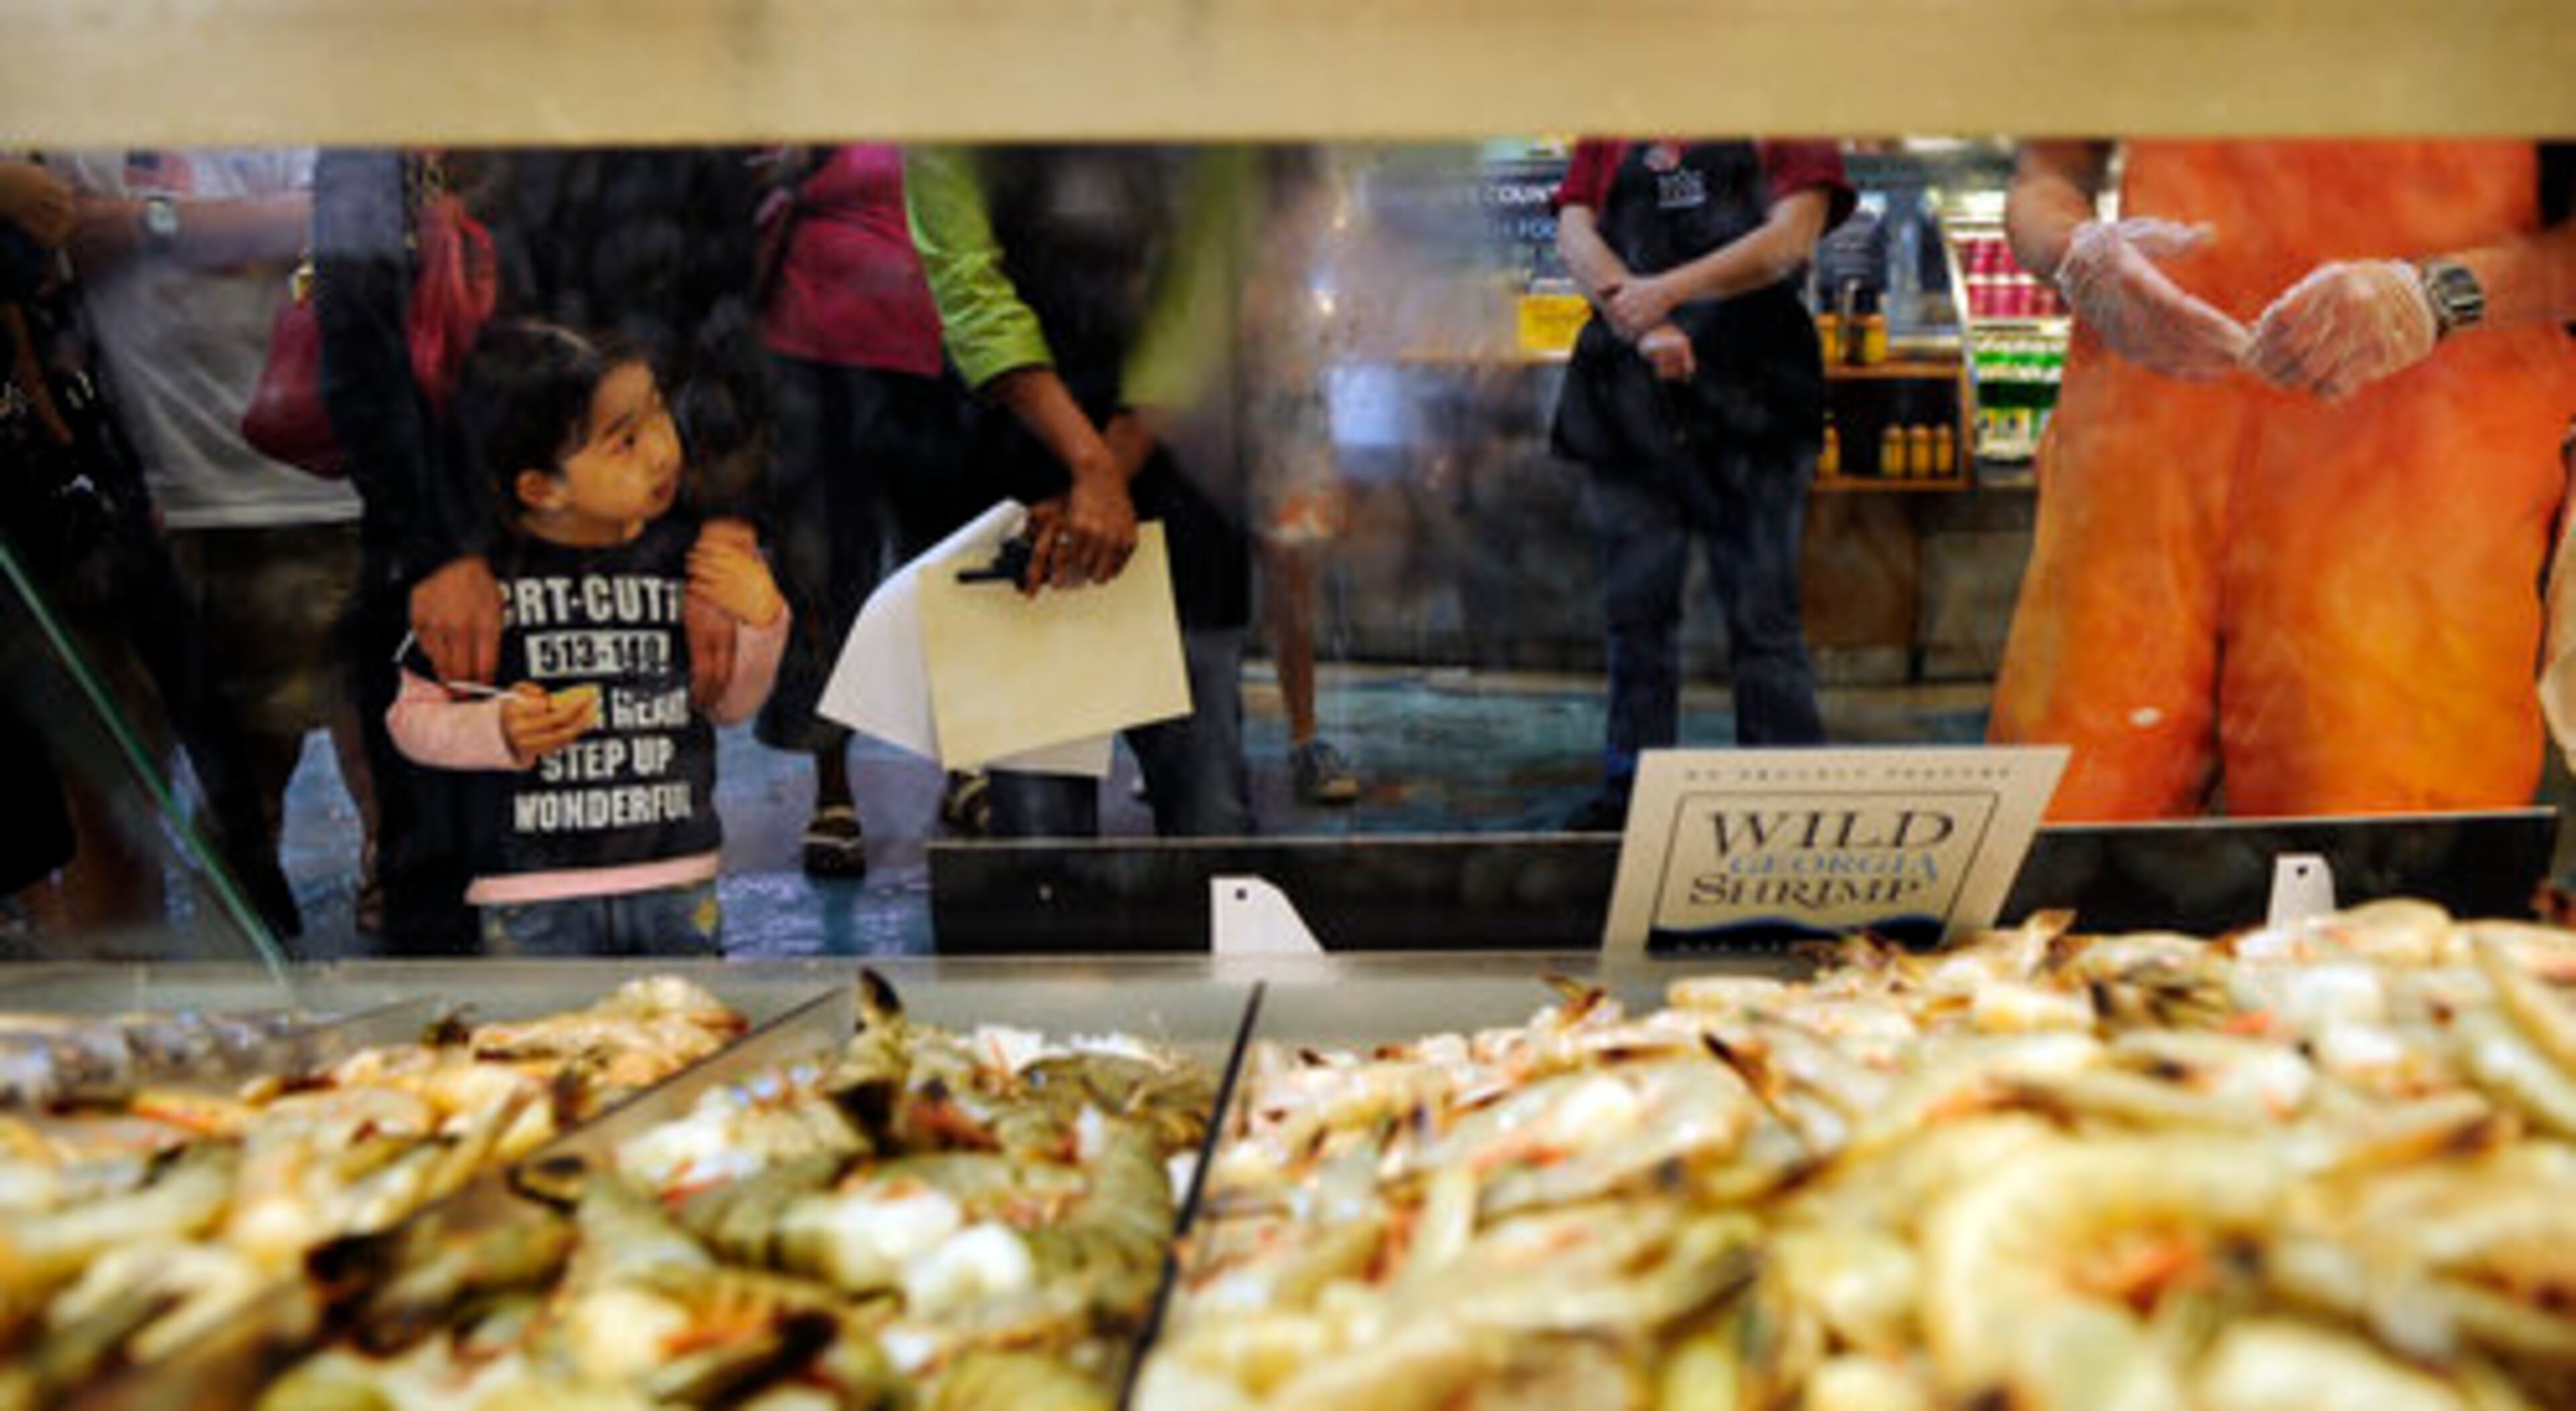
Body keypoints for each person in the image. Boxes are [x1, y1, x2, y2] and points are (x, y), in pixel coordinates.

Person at [1988, 142, 2576, 820]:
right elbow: (2046, 175)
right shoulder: (2116, 28)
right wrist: (2076, 252)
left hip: (2418, 469)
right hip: (2144, 455)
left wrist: (2439, 294)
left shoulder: (2532, 31)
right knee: (2061, 854)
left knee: (2377, 876)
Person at [386, 321, 787, 955]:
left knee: (688, 1038)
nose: (661, 450)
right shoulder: (482, 587)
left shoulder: (685, 563)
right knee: (540, 1051)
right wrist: (496, 732)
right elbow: (409, 718)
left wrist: (762, 622)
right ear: (542, 488)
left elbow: (729, 707)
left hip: (676, 879)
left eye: (659, 414)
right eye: (624, 442)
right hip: (529, 893)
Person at [56, 147, 375, 938]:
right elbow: (49, 226)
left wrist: (145, 222)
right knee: (118, 797)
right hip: (125, 488)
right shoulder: (55, 74)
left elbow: (334, 215)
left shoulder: (260, 56)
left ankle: (258, 971)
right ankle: (125, 1012)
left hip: (302, 480)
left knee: (282, 780)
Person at [905, 145, 1254, 839]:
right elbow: (972, 294)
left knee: (1210, 820)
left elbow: (1206, 289)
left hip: (1175, 475)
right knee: (1040, 841)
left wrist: (1099, 475)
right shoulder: (951, 85)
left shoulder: (1203, 86)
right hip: (1021, 470)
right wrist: (1094, 470)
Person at [1548, 138, 1854, 830]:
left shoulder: (1786, 108)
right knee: (1637, 615)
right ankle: (1633, 799)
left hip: (1756, 384)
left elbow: (1790, 237)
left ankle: (1782, 805)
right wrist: (1642, 320)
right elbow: (1574, 228)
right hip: (1628, 381)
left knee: (1763, 615)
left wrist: (1665, 291)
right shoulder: (1615, 116)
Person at [751, 145, 984, 874]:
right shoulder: (811, 87)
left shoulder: (940, 90)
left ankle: (969, 759)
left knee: (950, 570)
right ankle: (832, 792)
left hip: (933, 363)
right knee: (825, 577)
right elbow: (750, 177)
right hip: (815, 365)